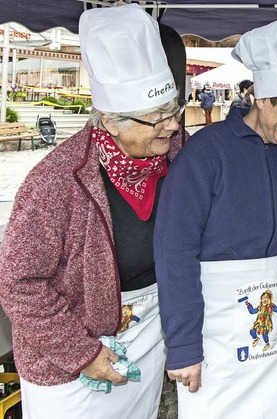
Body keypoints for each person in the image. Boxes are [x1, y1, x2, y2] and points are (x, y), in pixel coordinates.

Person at [0, 4, 186, 418]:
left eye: (172, 111)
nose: (172, 126)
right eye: (156, 118)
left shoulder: (174, 151)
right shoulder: (56, 181)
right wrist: (82, 353)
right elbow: (19, 283)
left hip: (148, 332)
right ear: (111, 121)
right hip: (71, 355)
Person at [153, 17, 277, 418]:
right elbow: (174, 252)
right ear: (263, 98)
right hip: (214, 323)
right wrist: (183, 345)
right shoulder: (205, 154)